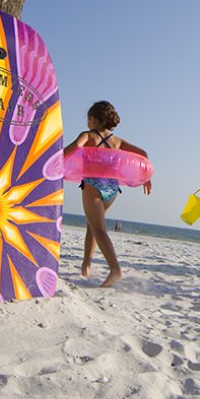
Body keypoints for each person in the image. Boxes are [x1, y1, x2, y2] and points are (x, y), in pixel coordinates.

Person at [63, 101, 151, 288]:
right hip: (112, 188)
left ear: (94, 119)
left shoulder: (87, 135)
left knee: (99, 229)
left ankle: (115, 269)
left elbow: (72, 148)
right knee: (92, 224)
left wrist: (51, 160)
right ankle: (86, 263)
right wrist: (146, 177)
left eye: (88, 118)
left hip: (93, 185)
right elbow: (142, 153)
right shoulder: (116, 141)